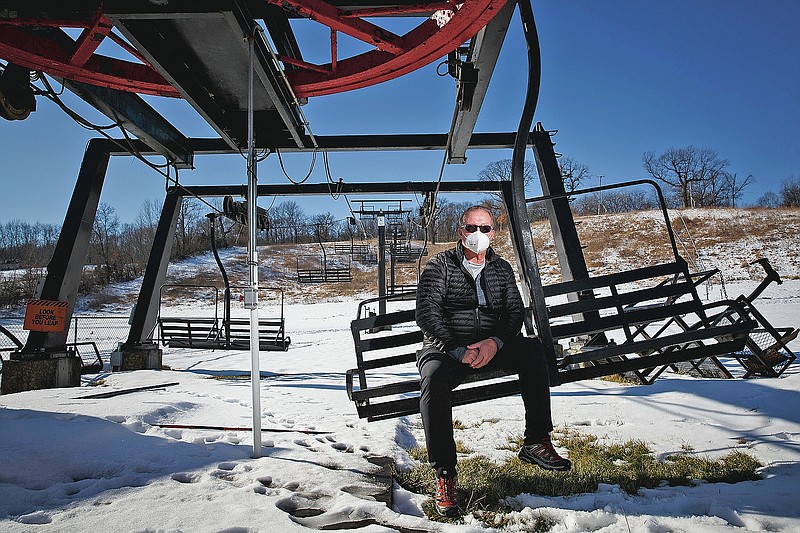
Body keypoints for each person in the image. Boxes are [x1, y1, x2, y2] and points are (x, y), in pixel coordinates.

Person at [415, 205, 571, 517]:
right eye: (471, 228)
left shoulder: (501, 269)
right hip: (448, 348)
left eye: (484, 229)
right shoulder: (439, 266)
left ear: (493, 233)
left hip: (491, 346)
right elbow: (427, 312)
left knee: (533, 351)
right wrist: (458, 349)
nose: (477, 235)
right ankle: (445, 474)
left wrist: (494, 342)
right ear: (461, 231)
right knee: (433, 380)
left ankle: (536, 441)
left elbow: (514, 311)